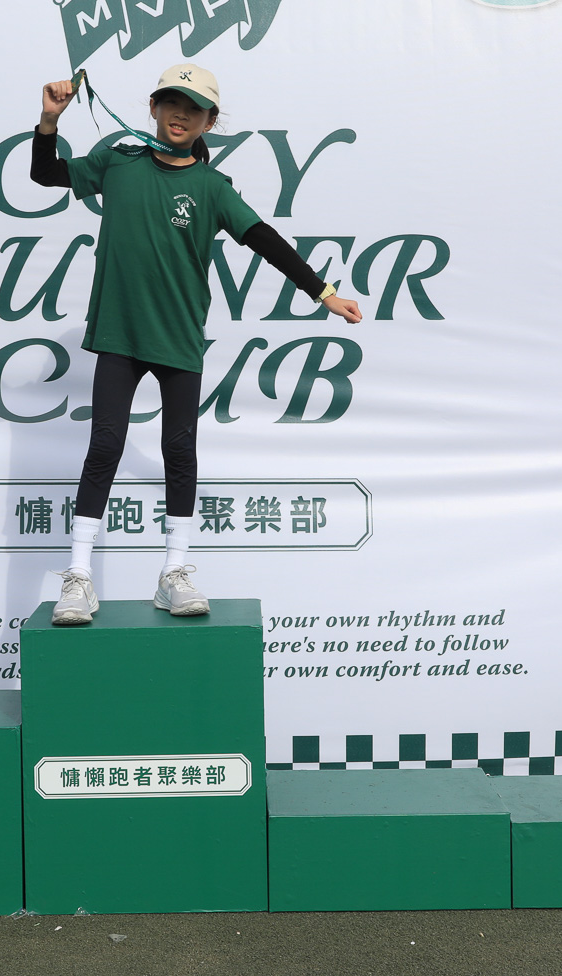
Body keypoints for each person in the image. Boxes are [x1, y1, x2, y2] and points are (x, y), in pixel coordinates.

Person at [30, 65, 362, 625]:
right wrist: (48, 122)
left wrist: (324, 292)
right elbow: (46, 174)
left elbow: (267, 241)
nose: (180, 114)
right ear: (153, 108)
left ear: (210, 121)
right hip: (118, 332)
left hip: (179, 335)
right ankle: (79, 576)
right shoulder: (119, 163)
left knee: (180, 451)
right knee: (105, 446)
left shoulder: (212, 188)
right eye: (171, 102)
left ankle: (174, 572)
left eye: (194, 108)